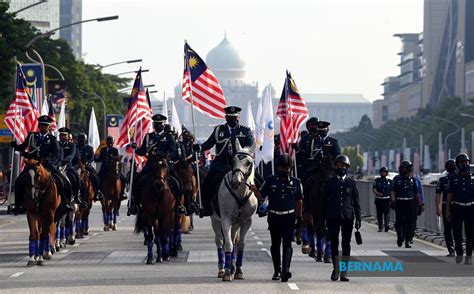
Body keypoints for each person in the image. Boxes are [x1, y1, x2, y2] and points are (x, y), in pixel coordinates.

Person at [193, 106, 254, 217]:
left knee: (257, 179)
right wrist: (199, 148)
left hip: (239, 164)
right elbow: (209, 143)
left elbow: (249, 145)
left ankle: (261, 205)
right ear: (225, 118)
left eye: (234, 117)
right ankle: (205, 206)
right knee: (207, 182)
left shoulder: (245, 131)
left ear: (238, 117)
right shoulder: (218, 130)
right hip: (221, 164)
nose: (232, 120)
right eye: (230, 118)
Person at [250, 154, 303, 282]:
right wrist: (254, 190)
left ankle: (285, 270)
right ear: (277, 168)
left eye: (287, 168)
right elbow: (262, 196)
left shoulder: (296, 182)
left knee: (287, 244)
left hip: (289, 217)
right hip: (274, 216)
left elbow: (299, 201)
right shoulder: (270, 180)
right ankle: (277, 270)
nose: (284, 170)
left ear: (291, 168)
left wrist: (299, 219)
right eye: (282, 168)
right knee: (275, 244)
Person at [10, 115, 70, 214]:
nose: (44, 127)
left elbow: (57, 155)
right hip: (32, 165)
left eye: (46, 125)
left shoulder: (52, 139)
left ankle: (65, 202)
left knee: (63, 181)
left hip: (46, 166)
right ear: (38, 126)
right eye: (42, 125)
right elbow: (23, 147)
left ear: (49, 127)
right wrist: (15, 146)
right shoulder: (32, 136)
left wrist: (50, 162)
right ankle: (18, 205)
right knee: (18, 181)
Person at [129, 114, 183, 216]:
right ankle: (135, 204)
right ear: (154, 125)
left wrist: (165, 157)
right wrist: (136, 148)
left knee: (177, 181)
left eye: (160, 124)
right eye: (156, 124)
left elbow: (174, 152)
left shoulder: (169, 137)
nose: (158, 126)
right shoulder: (149, 136)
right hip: (150, 165)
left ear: (163, 125)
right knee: (137, 179)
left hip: (164, 165)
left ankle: (179, 205)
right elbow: (142, 151)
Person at [322, 154, 361, 282]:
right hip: (332, 216)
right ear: (335, 167)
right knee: (334, 243)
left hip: (347, 217)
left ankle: (344, 272)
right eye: (338, 165)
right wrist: (322, 218)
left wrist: (358, 219)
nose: (341, 168)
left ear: (347, 167)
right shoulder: (329, 182)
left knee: (346, 244)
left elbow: (356, 202)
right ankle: (336, 269)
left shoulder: (351, 183)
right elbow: (323, 201)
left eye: (343, 166)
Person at [445, 153, 474, 265]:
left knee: (470, 233)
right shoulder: (453, 178)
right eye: (461, 163)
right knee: (457, 232)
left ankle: (469, 257)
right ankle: (460, 252)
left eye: (466, 162)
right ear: (457, 165)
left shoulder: (472, 178)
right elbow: (449, 195)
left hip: (471, 207)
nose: (464, 165)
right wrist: (447, 210)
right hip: (457, 207)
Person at [390, 160, 422, 248]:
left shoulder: (413, 180)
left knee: (410, 223)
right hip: (400, 202)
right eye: (406, 167)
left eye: (409, 168)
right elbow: (392, 190)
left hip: (410, 203)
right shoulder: (396, 179)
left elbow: (416, 193)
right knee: (399, 222)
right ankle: (400, 237)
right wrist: (393, 201)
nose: (407, 169)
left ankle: (407, 241)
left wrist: (420, 205)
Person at [58, 127, 87, 209]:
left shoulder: (72, 145)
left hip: (68, 166)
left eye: (64, 135)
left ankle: (77, 196)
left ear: (68, 136)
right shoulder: (56, 144)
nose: (63, 137)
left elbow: (72, 155)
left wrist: (65, 160)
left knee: (77, 178)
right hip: (57, 166)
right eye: (61, 135)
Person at [73, 133, 104, 201]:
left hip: (86, 165)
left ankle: (97, 191)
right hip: (76, 165)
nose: (81, 141)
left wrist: (87, 162)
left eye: (82, 140)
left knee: (95, 176)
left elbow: (92, 157)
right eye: (80, 140)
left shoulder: (89, 148)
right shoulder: (74, 147)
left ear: (85, 140)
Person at [95, 136, 127, 201]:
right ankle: (98, 192)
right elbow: (100, 159)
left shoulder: (115, 150)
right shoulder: (103, 150)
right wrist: (95, 158)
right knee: (97, 178)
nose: (110, 144)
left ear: (113, 143)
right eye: (109, 142)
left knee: (123, 178)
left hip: (113, 169)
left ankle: (123, 193)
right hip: (104, 169)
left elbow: (117, 160)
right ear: (106, 142)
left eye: (111, 142)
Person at [435, 159, 456, 257]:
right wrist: (437, 207)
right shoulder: (442, 180)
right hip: (445, 205)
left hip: (457, 205)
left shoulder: (459, 178)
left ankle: (458, 247)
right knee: (447, 228)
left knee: (457, 227)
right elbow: (438, 194)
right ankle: (451, 249)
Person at [373, 166, 392, 232]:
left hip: (387, 199)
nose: (383, 173)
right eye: (382, 172)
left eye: (384, 172)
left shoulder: (389, 181)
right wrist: (377, 193)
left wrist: (392, 199)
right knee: (379, 214)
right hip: (379, 199)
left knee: (387, 214)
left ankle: (386, 226)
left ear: (386, 173)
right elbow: (374, 189)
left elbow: (391, 191)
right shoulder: (377, 180)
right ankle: (380, 227)